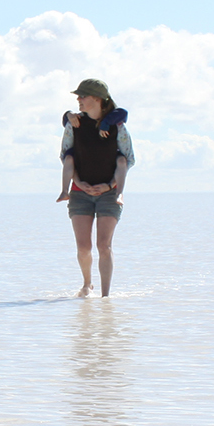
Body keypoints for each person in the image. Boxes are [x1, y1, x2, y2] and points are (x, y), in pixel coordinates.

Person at [55, 78, 134, 297]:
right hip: (80, 193)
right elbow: (65, 156)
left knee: (103, 246)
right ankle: (87, 284)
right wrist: (78, 182)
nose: (78, 100)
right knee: (83, 248)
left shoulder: (117, 126)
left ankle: (105, 298)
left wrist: (110, 185)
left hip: (109, 194)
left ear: (97, 99)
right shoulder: (74, 123)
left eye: (83, 96)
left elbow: (129, 159)